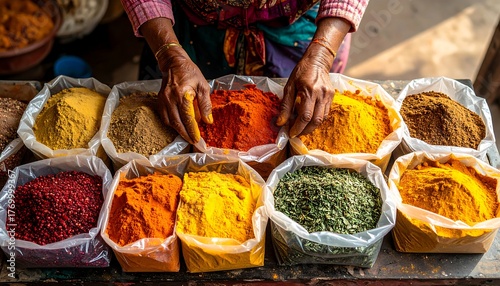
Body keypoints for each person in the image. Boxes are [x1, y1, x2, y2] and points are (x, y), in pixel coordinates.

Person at [120, 0, 369, 144]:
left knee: (301, 111)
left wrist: (322, 54)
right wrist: (169, 55)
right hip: (190, 30)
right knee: (180, 113)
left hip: (301, 29)